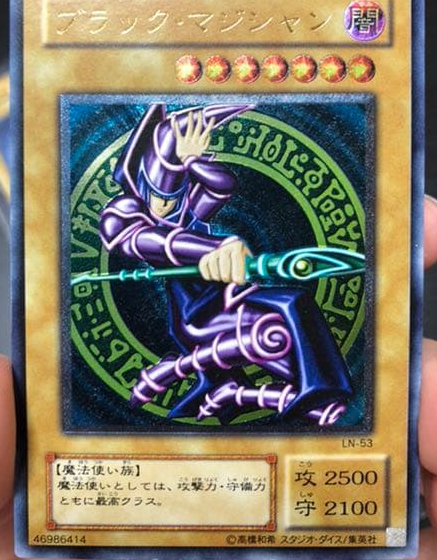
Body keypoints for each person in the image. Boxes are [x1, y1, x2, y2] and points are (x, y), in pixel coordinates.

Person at [0, 200, 437, 560]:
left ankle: (293, 397)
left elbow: (209, 203)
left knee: (288, 307)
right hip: (200, 323)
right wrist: (204, 248)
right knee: (281, 314)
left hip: (228, 305)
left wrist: (221, 246)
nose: (195, 161)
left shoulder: (192, 200)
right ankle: (264, 394)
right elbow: (135, 236)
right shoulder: (131, 213)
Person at [99, 105, 352, 424]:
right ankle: (308, 394)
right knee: (273, 330)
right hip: (197, 314)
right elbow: (145, 240)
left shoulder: (185, 211)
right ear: (140, 187)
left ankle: (310, 390)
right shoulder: (125, 214)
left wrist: (192, 161)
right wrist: (212, 248)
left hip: (225, 297)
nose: (166, 208)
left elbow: (222, 185)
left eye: (174, 198)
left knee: (292, 303)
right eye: (158, 198)